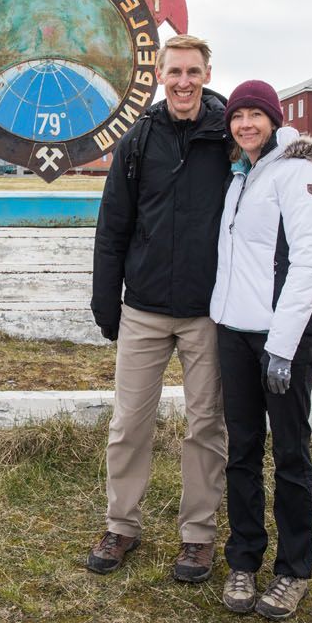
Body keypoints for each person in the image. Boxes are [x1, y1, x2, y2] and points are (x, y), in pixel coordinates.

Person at [87, 34, 230, 583]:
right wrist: (107, 301)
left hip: (207, 311)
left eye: (193, 72)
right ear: (159, 76)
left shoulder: (229, 139)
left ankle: (197, 537)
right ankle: (121, 524)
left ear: (208, 74)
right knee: (128, 424)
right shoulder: (138, 140)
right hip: (144, 308)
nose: (184, 82)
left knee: (205, 426)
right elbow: (113, 227)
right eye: (175, 72)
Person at [208, 80, 312, 621]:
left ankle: (293, 570)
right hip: (235, 333)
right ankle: (243, 558)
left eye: (255, 116)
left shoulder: (300, 172)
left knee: (289, 452)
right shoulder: (241, 174)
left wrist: (283, 348)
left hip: (282, 337)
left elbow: (309, 262)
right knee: (241, 450)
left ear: (274, 119)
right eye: (238, 116)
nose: (245, 124)